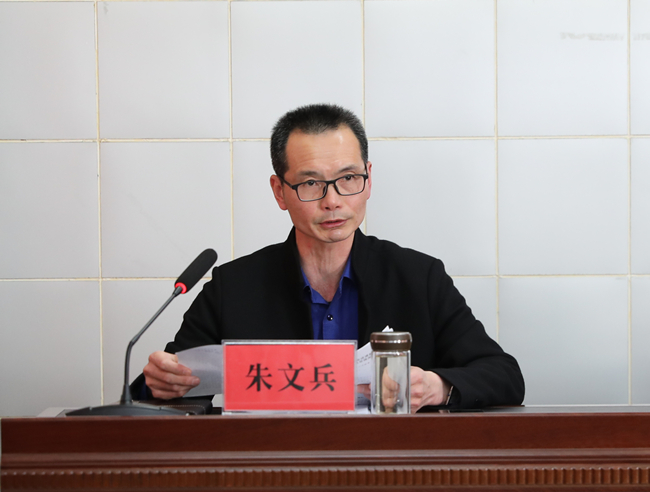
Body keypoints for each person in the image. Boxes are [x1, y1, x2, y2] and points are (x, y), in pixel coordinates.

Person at [141, 103, 525, 411]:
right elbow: (157, 389)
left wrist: (437, 387)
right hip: (274, 467)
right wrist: (161, 383)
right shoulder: (234, 287)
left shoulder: (418, 277)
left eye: (348, 178)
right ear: (279, 191)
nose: (333, 200)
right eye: (311, 183)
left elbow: (504, 375)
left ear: (368, 178)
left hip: (390, 468)